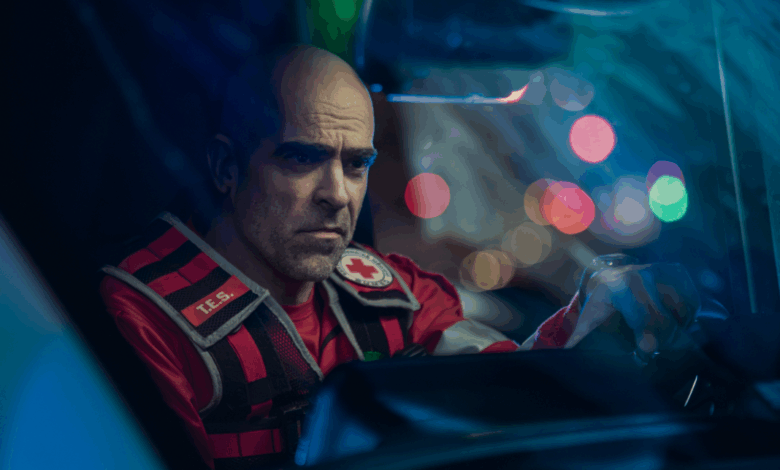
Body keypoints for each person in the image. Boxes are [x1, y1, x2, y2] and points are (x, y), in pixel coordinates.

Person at [100, 44, 700, 469]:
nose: (338, 195)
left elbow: (508, 393)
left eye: (356, 164)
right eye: (302, 158)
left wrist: (596, 322)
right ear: (226, 167)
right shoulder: (141, 317)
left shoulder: (390, 291)